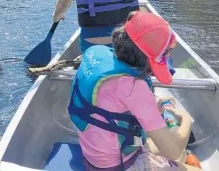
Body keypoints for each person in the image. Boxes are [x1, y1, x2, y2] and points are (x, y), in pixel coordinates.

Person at [68, 11, 199, 170]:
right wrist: (185, 118)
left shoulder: (97, 54)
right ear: (146, 59)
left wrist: (156, 105)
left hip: (92, 157)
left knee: (159, 142)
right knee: (184, 156)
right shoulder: (133, 87)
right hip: (118, 166)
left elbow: (113, 103)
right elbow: (173, 151)